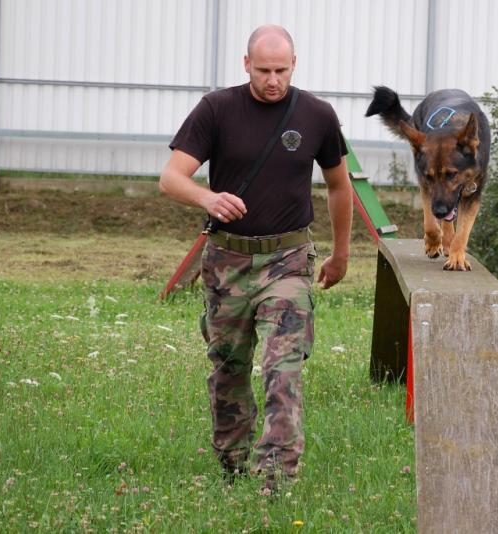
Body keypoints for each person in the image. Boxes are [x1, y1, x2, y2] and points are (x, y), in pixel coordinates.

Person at [159, 24, 352, 491]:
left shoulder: (317, 115)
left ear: (294, 64)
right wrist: (208, 198)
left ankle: (276, 479)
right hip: (227, 262)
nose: (273, 80)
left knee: (283, 369)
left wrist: (342, 252)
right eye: (263, 70)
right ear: (246, 64)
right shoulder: (216, 109)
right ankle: (231, 462)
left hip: (288, 259)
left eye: (281, 70)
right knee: (229, 368)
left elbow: (339, 185)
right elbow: (171, 177)